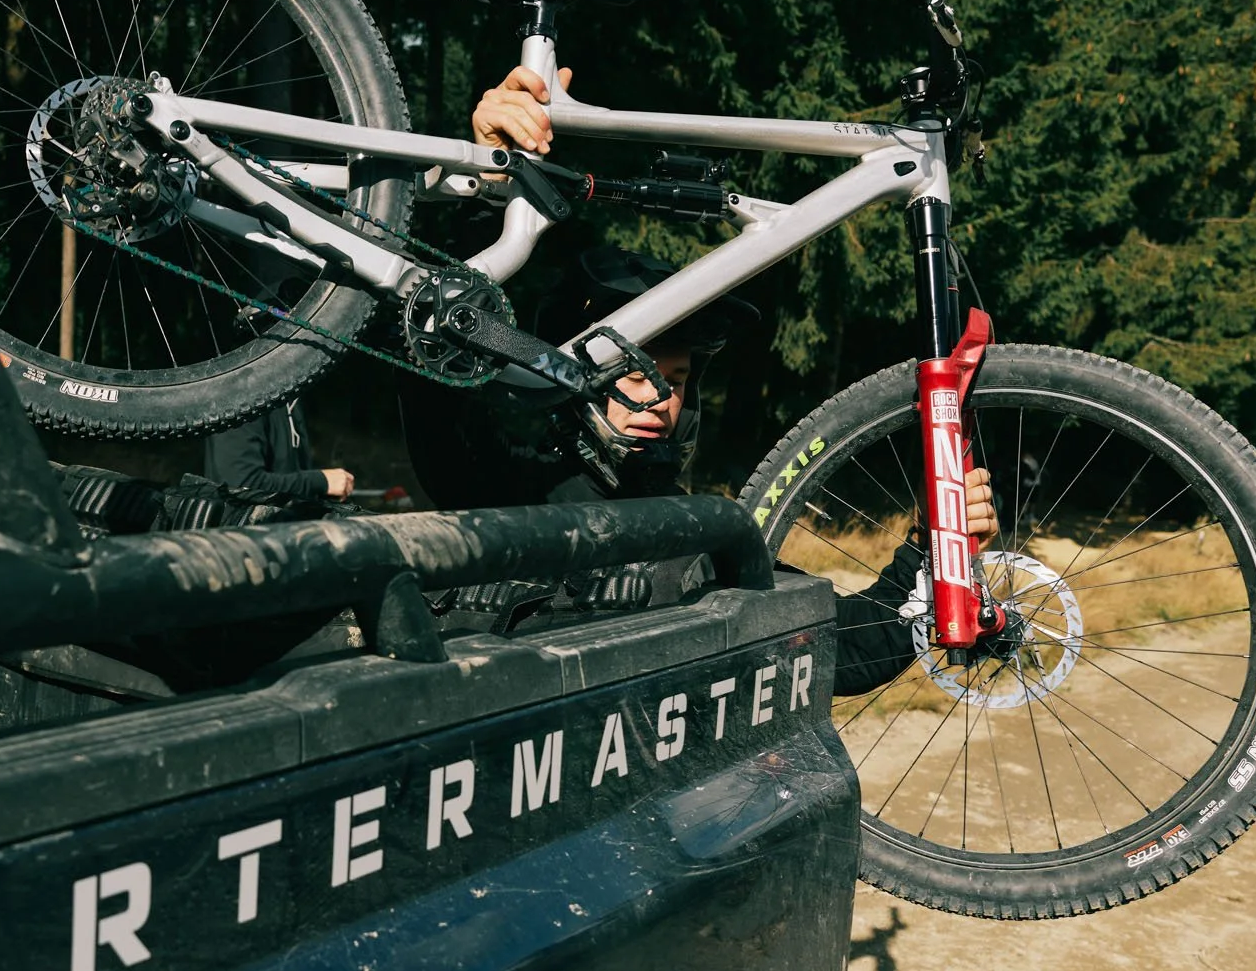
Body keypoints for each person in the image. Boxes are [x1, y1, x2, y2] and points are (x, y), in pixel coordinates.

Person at [398, 66, 999, 696]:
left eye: (675, 376)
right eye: (629, 371)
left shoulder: (702, 538)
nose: (656, 394)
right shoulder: (500, 482)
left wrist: (931, 546)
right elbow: (436, 349)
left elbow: (847, 653)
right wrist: (486, 185)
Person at [202, 395, 356, 503]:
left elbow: (287, 472)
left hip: (282, 535)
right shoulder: (239, 398)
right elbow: (241, 484)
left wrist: (322, 489)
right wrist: (320, 482)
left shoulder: (289, 398)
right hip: (245, 543)